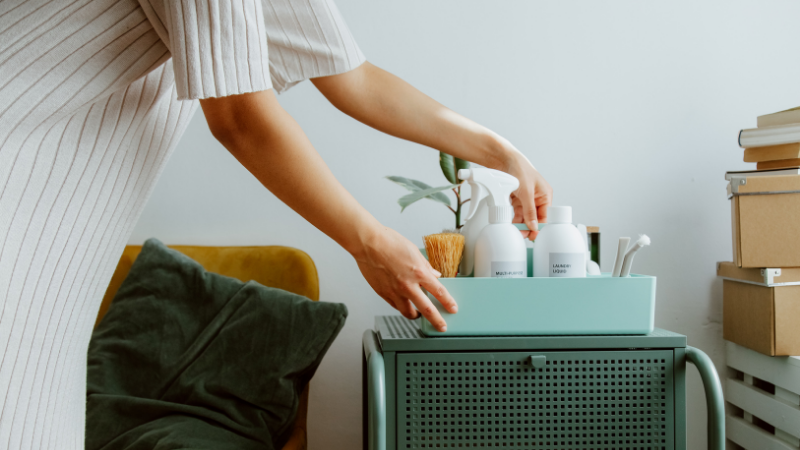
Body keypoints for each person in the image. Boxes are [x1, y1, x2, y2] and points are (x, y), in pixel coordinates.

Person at [0, 0, 551, 448]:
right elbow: (240, 116)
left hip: (47, 230)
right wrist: (368, 241)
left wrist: (501, 153)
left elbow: (352, 79)